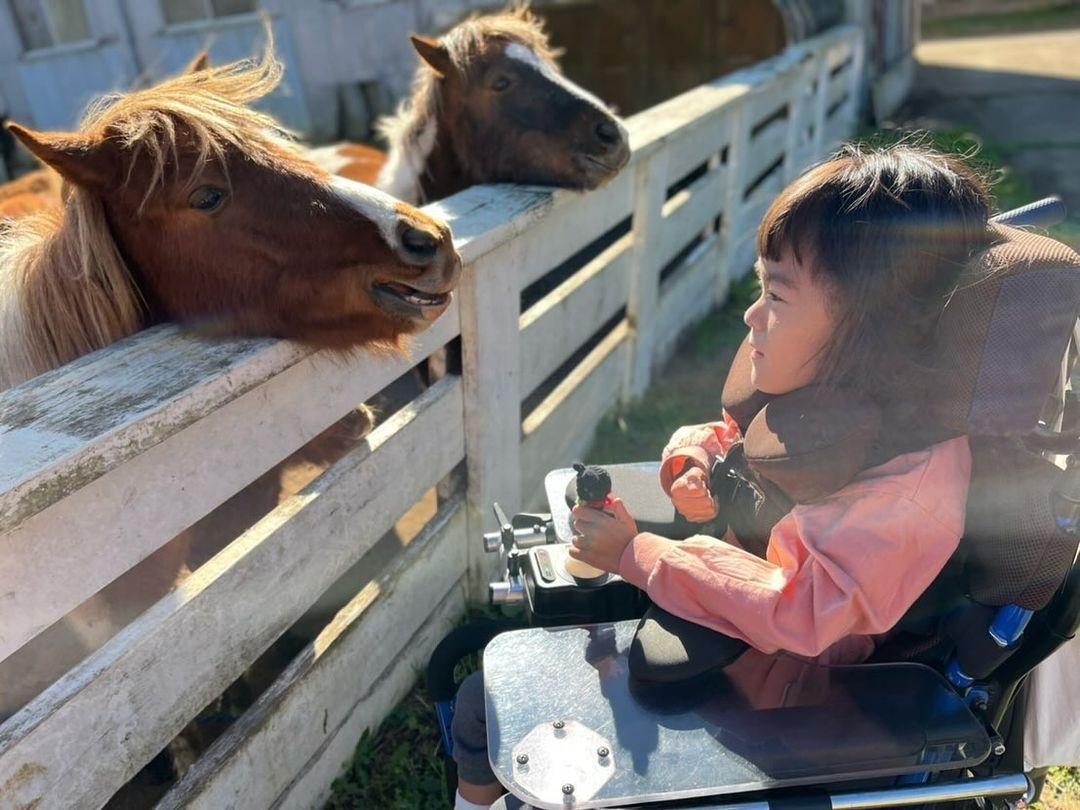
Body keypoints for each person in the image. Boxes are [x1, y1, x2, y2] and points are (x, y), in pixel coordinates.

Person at [452, 143, 994, 809]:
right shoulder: (839, 396)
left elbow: (801, 611)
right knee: (485, 702)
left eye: (775, 294)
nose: (751, 315)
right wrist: (696, 461)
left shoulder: (906, 489)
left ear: (869, 325)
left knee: (494, 710)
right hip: (726, 630)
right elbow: (744, 437)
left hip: (777, 702)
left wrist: (636, 554)